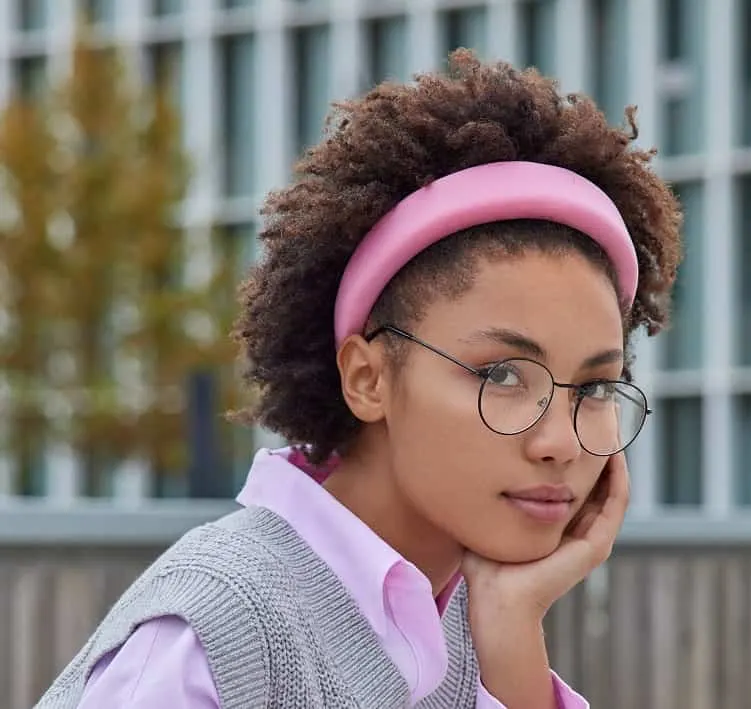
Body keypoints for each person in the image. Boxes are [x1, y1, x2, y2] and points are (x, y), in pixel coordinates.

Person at [36, 50, 682, 708]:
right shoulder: (216, 637)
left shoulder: (474, 623)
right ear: (368, 378)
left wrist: (513, 639)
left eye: (596, 388)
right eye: (503, 373)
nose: (560, 442)